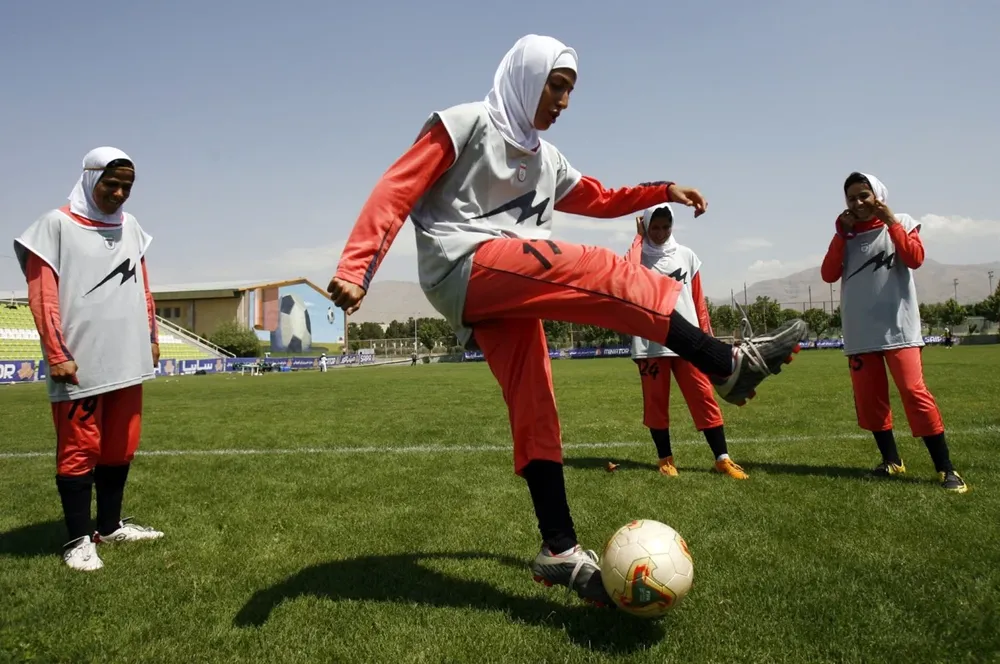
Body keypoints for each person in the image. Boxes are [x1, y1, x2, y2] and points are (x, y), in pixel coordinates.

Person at [327, 35, 807, 606]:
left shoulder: (546, 159)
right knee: (598, 268)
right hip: (464, 264)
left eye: (570, 91)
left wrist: (662, 190)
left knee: (536, 400)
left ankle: (558, 548)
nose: (564, 101)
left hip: (508, 282)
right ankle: (723, 361)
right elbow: (397, 186)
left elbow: (601, 198)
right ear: (528, 79)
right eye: (557, 86)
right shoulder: (464, 123)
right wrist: (358, 267)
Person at [13, 147, 165, 572]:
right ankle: (78, 540)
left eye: (127, 187)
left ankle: (111, 525)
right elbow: (42, 295)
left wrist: (151, 336)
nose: (119, 193)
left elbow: (143, 285)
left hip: (127, 356)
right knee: (81, 448)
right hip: (79, 361)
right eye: (111, 184)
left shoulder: (131, 227)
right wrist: (56, 352)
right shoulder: (54, 225)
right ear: (89, 177)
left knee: (120, 445)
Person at [820, 172, 967, 493]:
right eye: (851, 198)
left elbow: (915, 258)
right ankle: (891, 461)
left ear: (879, 195)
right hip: (860, 335)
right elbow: (828, 274)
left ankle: (946, 469)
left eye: (864, 195)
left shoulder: (901, 221)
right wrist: (839, 235)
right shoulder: (845, 235)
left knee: (915, 393)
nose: (858, 203)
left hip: (899, 329)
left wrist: (891, 223)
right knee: (871, 401)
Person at [625, 203, 749, 479]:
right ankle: (665, 459)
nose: (660, 233)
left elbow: (698, 300)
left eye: (665, 227)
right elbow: (627, 275)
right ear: (645, 226)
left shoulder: (687, 255)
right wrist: (638, 238)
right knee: (656, 403)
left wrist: (708, 341)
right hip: (650, 344)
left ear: (673, 226)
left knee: (703, 398)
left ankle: (722, 459)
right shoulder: (638, 257)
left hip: (690, 342)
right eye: (653, 227)